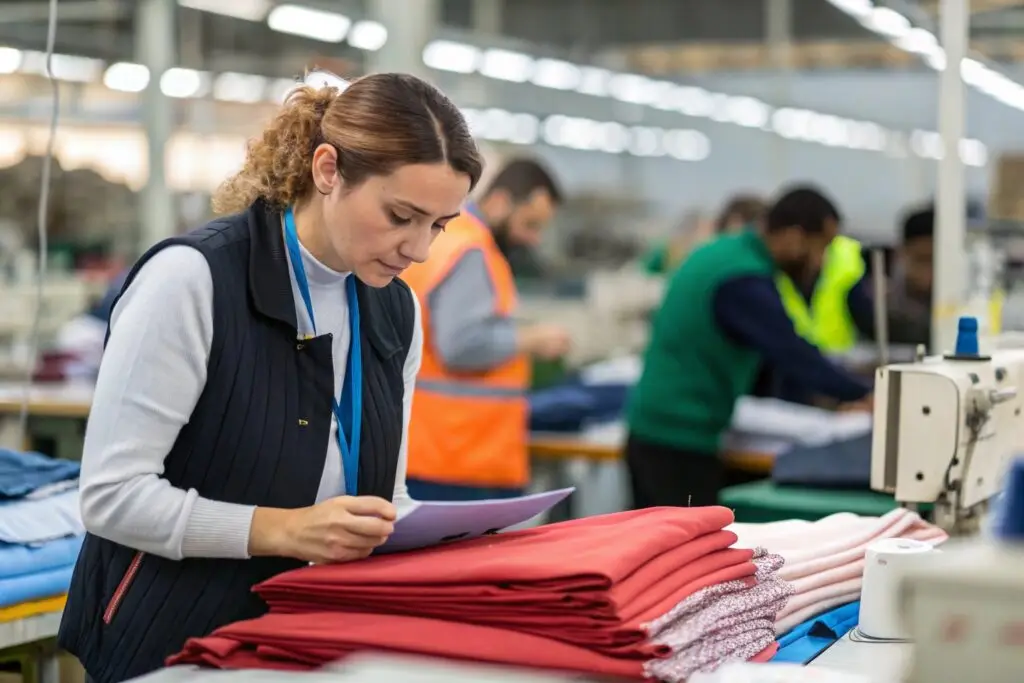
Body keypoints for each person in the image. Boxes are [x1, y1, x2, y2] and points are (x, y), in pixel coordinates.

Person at [57, 71, 483, 683]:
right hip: (171, 644)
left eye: (438, 225)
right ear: (328, 170)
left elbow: (382, 498)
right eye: (400, 216)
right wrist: (285, 530)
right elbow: (110, 497)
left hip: (308, 641)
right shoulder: (193, 280)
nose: (418, 249)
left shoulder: (395, 309)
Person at [625, 186, 872, 509]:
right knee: (688, 552)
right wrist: (865, 393)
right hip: (677, 443)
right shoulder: (741, 278)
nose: (820, 262)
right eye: (819, 248)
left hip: (659, 434)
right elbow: (792, 352)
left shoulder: (725, 254)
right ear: (794, 236)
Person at [401, 158, 570, 501]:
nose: (532, 238)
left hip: (438, 452)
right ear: (499, 202)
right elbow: (459, 345)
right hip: (458, 459)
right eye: (530, 223)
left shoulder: (452, 240)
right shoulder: (470, 250)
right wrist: (531, 339)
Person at [773, 189, 868, 354]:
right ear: (794, 237)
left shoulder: (850, 264)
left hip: (839, 369)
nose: (823, 257)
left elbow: (870, 319)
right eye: (821, 245)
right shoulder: (761, 275)